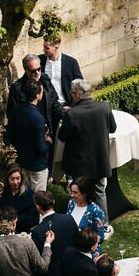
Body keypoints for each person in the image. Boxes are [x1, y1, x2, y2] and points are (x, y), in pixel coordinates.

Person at [57, 79, 116, 218]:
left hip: (79, 164)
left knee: (80, 194)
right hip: (100, 160)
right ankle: (104, 224)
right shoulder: (104, 107)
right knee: (100, 192)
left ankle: (80, 221)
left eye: (72, 93)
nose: (71, 96)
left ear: (77, 95)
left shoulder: (72, 114)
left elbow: (62, 137)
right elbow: (113, 128)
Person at [6, 78, 51, 195]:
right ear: (37, 95)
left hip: (23, 160)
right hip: (37, 165)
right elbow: (41, 148)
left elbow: (11, 135)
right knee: (39, 198)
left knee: (25, 195)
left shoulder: (16, 111)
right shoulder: (38, 118)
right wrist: (48, 142)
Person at [7, 54, 60, 142]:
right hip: (29, 137)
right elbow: (12, 115)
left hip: (48, 131)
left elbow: (54, 103)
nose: (37, 73)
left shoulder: (45, 80)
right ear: (26, 70)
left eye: (39, 69)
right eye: (33, 71)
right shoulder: (17, 88)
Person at [0, 165, 39, 234]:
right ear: (7, 179)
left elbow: (34, 219)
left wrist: (17, 220)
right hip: (2, 231)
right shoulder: (0, 193)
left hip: (22, 232)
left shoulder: (29, 194)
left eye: (18, 178)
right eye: (12, 179)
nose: (15, 182)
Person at [40, 37, 83, 109]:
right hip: (46, 106)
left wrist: (72, 105)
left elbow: (80, 85)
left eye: (47, 48)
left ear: (56, 47)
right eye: (43, 47)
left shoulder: (71, 62)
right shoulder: (40, 61)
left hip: (65, 105)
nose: (43, 50)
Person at [65, 176, 108, 247]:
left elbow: (100, 237)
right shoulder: (71, 203)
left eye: (75, 192)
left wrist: (86, 241)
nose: (72, 195)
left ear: (85, 193)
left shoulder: (96, 211)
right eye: (71, 191)